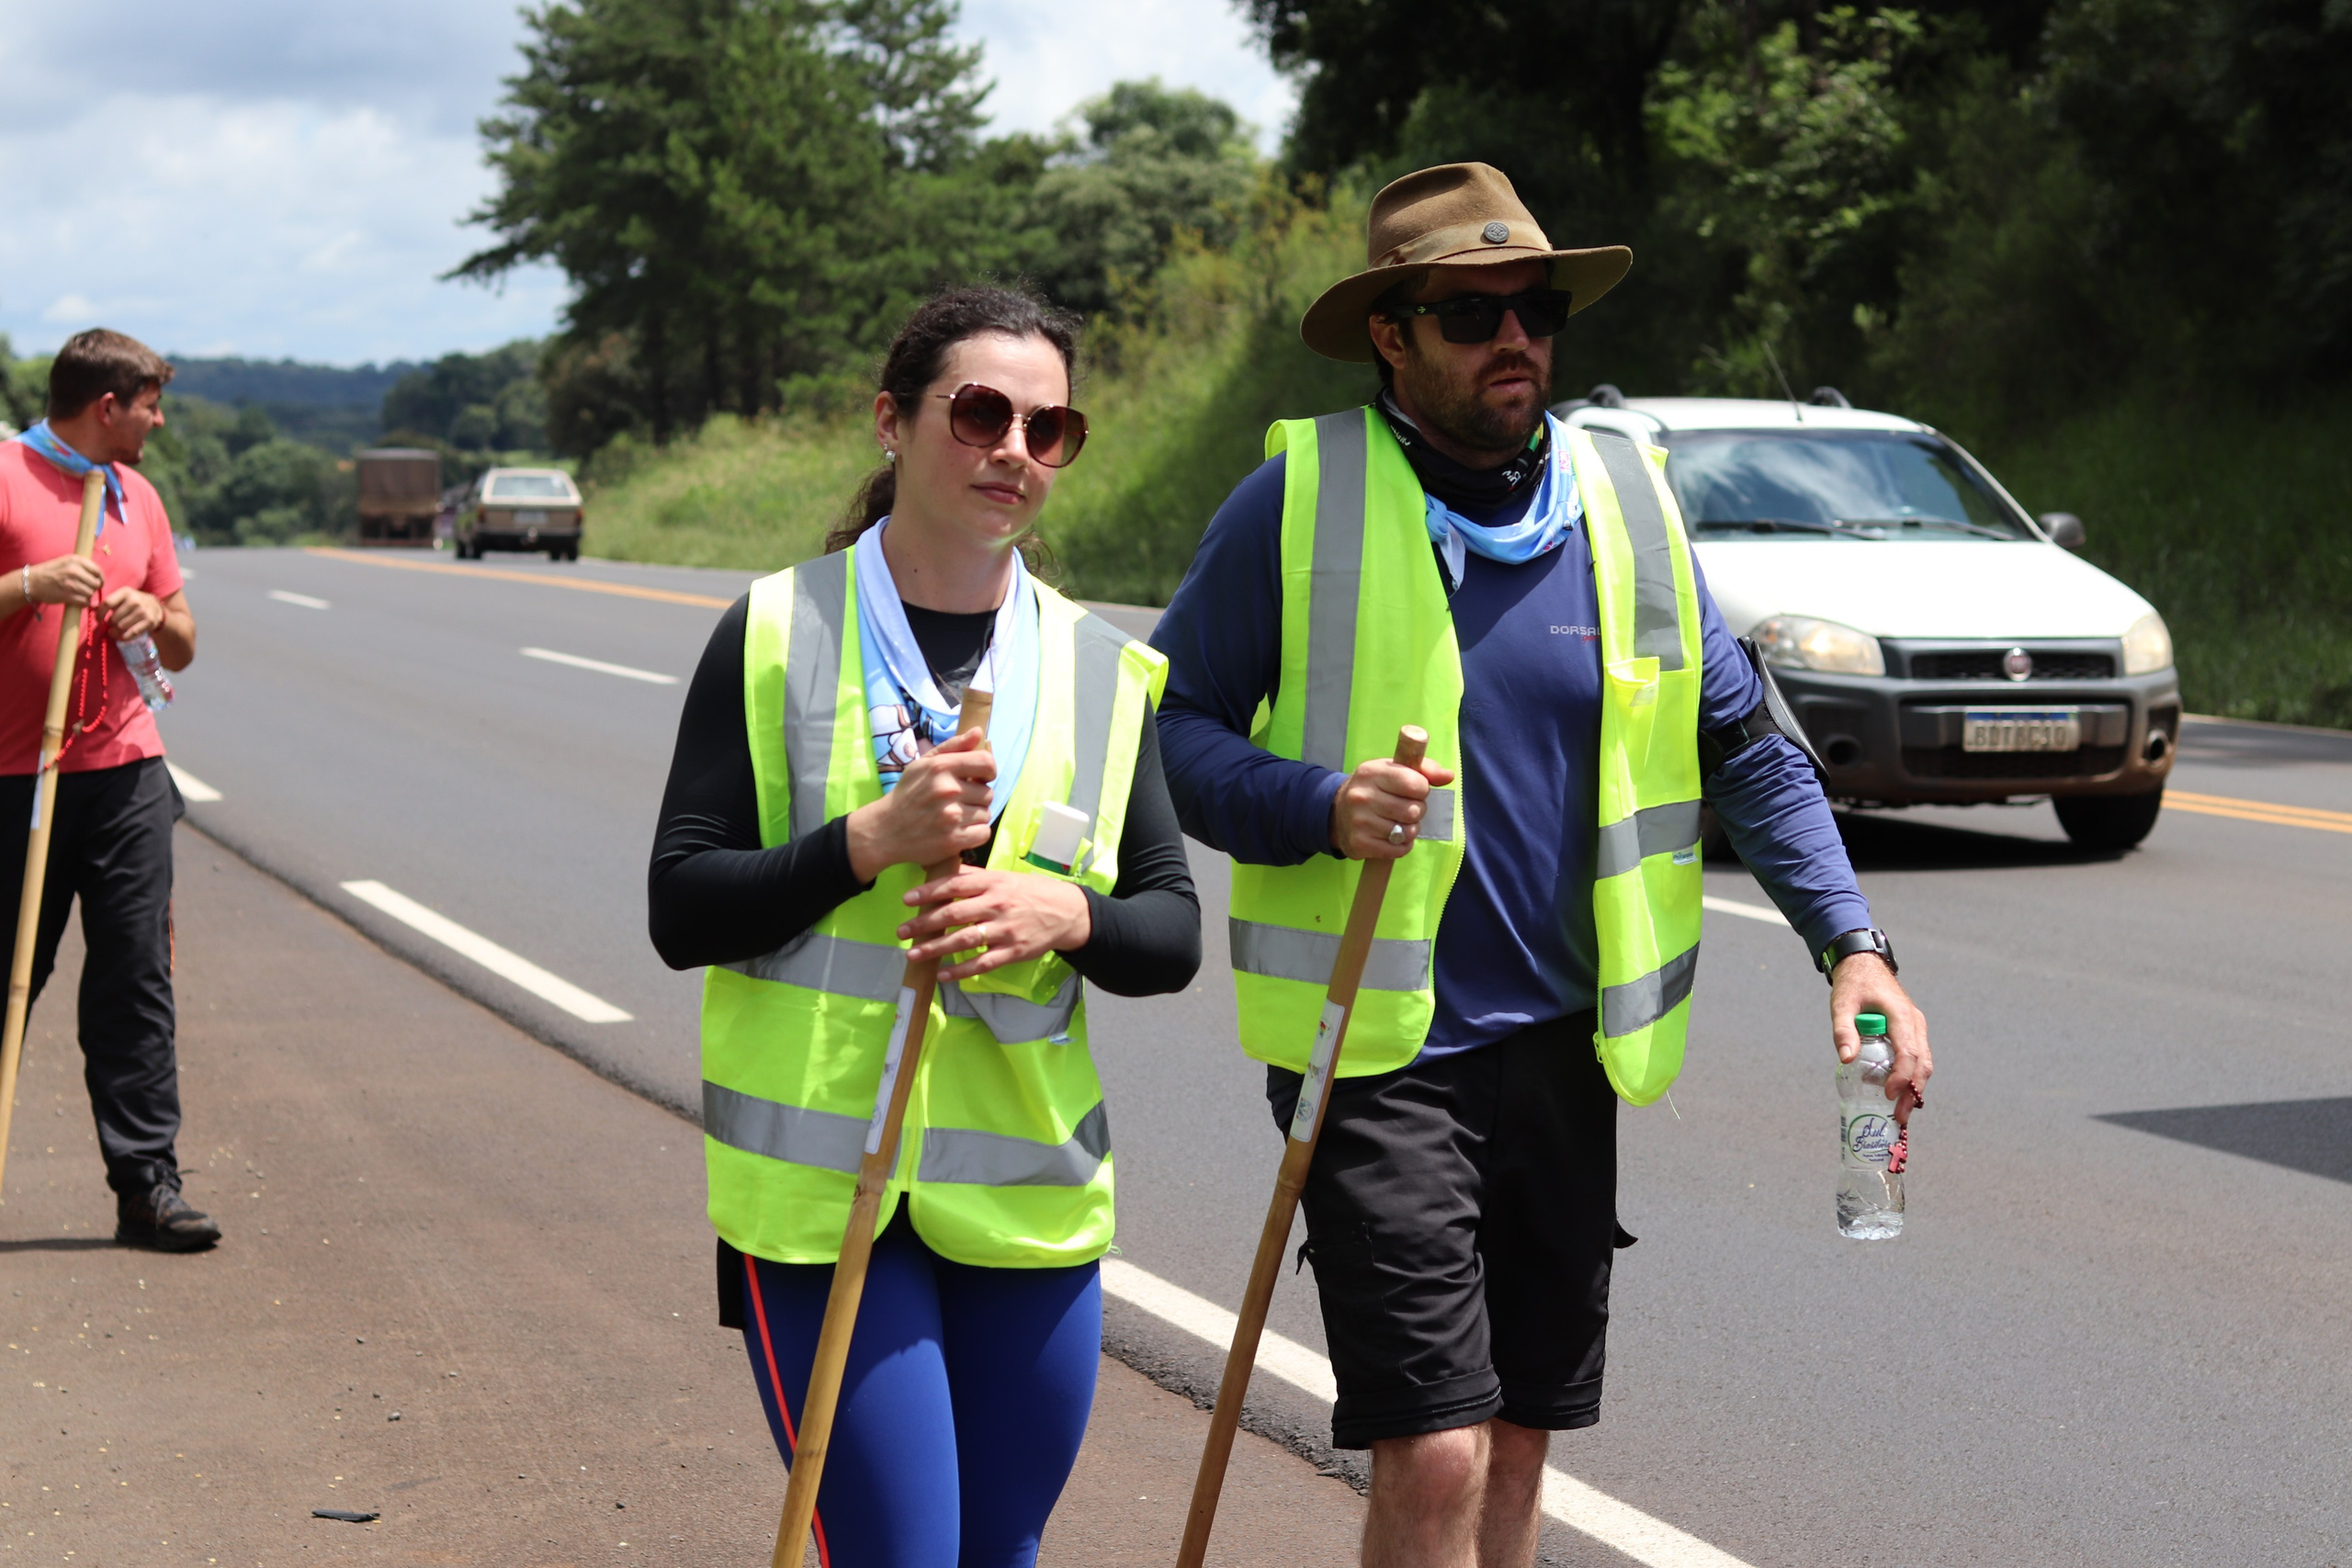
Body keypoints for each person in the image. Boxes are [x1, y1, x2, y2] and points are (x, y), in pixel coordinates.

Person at [1150, 164, 1934, 1567]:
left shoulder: (1624, 500)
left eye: (1537, 308)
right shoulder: (1298, 499)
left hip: (1570, 1046)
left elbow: (1746, 744)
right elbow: (1178, 730)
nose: (1514, 337)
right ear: (1391, 333)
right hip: (1380, 1052)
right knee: (1438, 1444)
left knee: (1518, 1438)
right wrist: (1317, 803)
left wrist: (1854, 943)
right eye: (1472, 314)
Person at [648, 287, 1201, 1566]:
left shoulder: (1102, 666)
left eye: (1048, 428)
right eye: (980, 413)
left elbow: (1169, 931)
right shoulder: (775, 630)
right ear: (891, 421)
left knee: (999, 1552)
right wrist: (865, 842)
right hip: (820, 1195)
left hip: (1026, 1196)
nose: (1014, 448)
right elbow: (681, 905)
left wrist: (1065, 911)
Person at [0, 328, 212, 1253]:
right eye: (150, 407)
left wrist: (153, 613)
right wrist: (28, 583)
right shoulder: (7, 477)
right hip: (17, 775)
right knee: (9, 974)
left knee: (135, 978)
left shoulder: (138, 496)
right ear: (106, 405)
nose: (158, 423)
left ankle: (148, 1185)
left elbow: (184, 643)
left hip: (126, 772)